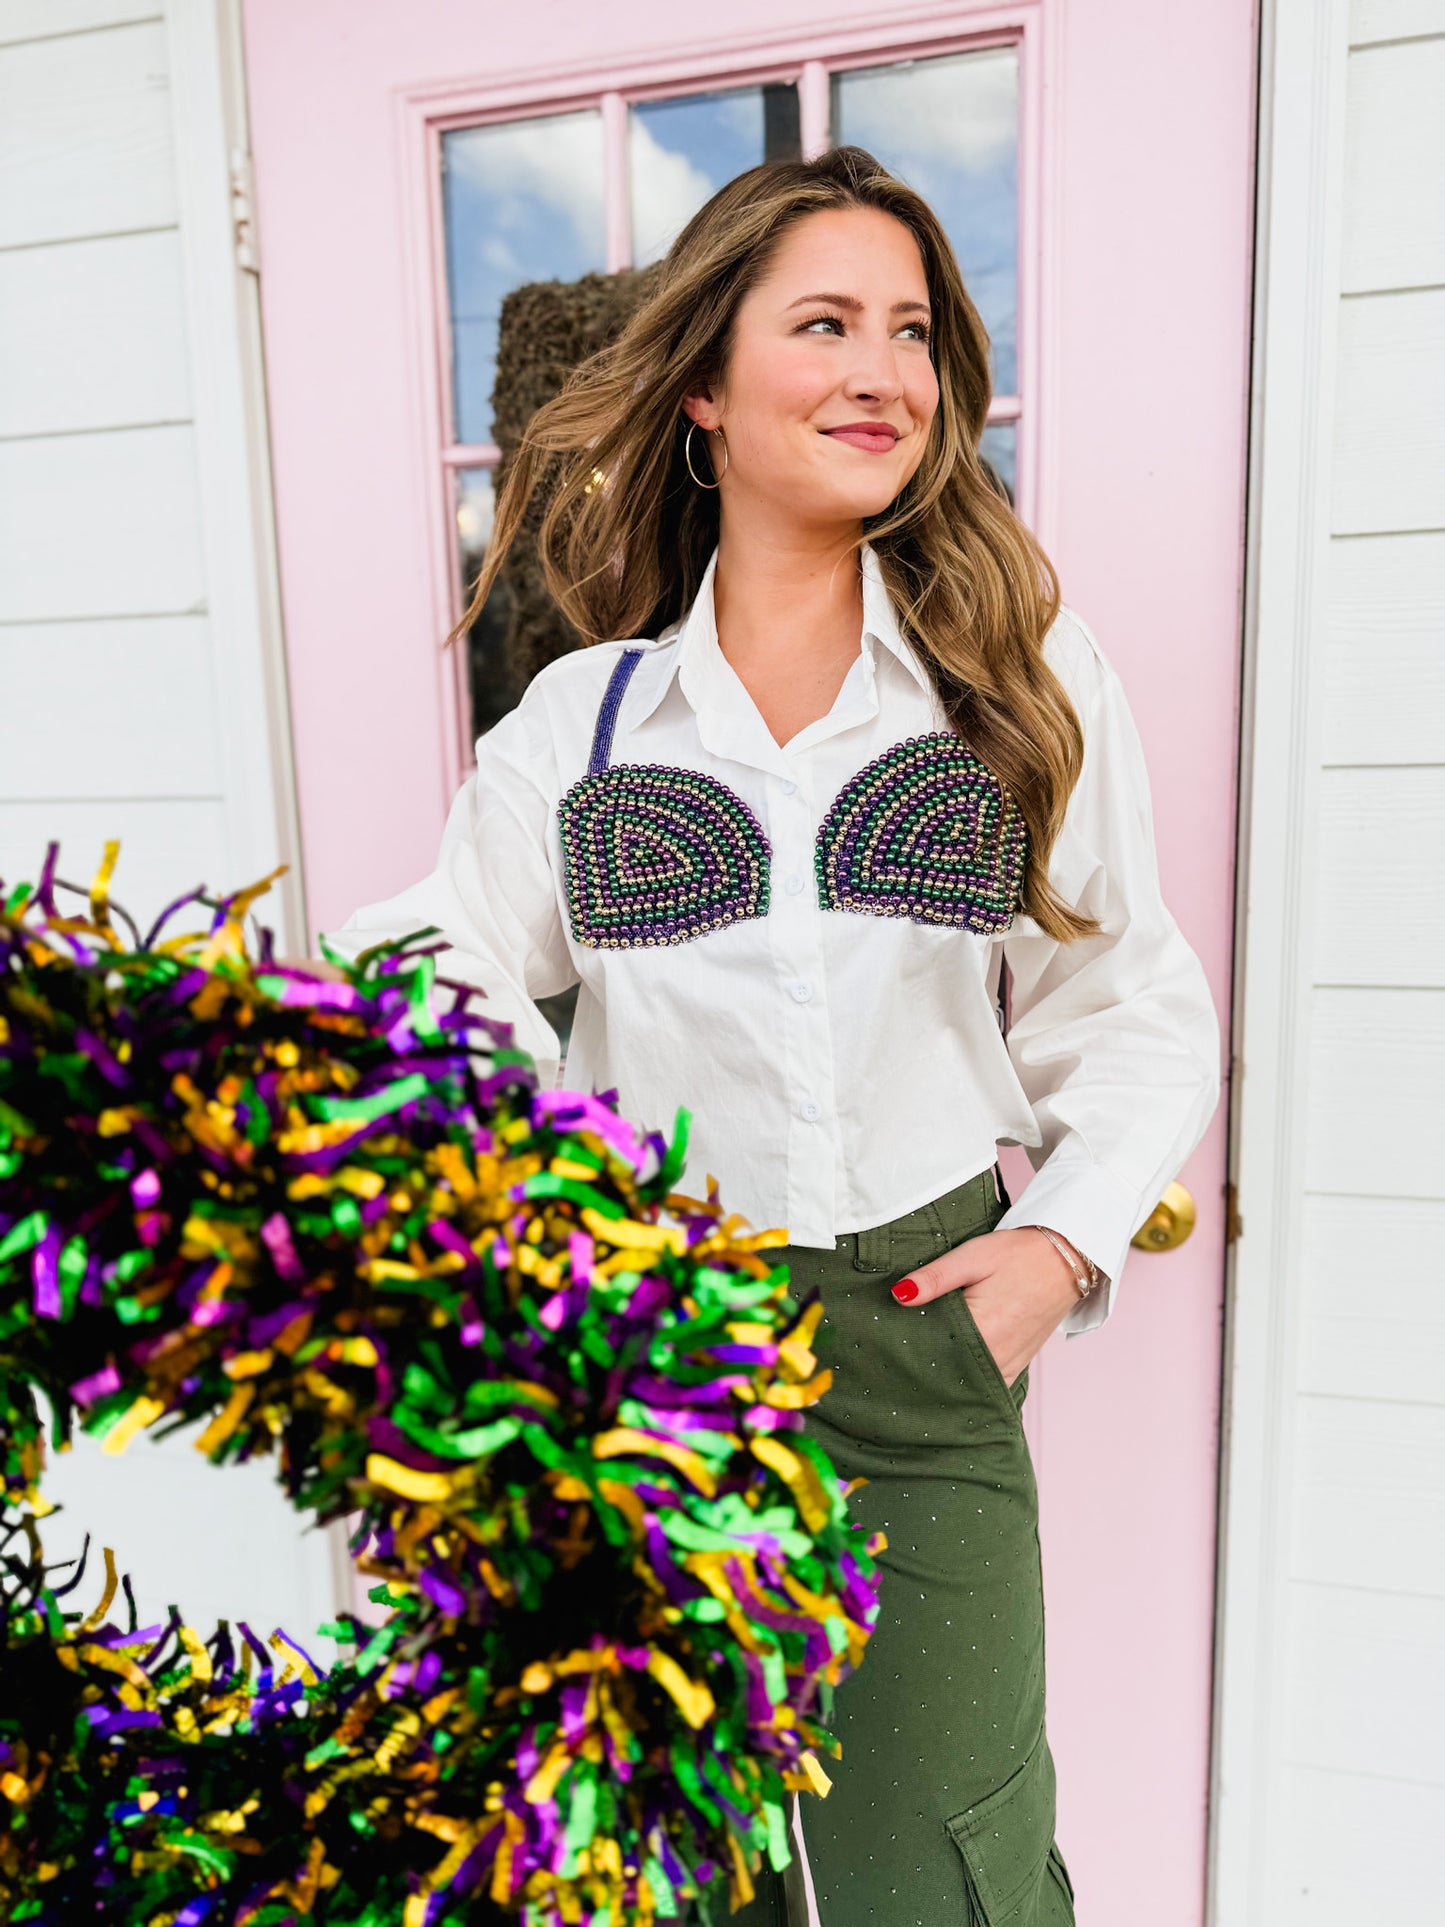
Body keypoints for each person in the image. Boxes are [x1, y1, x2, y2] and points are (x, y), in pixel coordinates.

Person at [318, 145, 1220, 1926]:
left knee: (940, 1865)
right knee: (681, 1866)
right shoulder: (582, 728)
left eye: (912, 330)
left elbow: (1126, 996)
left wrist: (1052, 1245)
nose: (882, 368)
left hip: (919, 1347)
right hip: (658, 1363)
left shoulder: (1018, 678)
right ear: (708, 395)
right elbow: (428, 974)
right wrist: (550, 1215)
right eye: (823, 323)